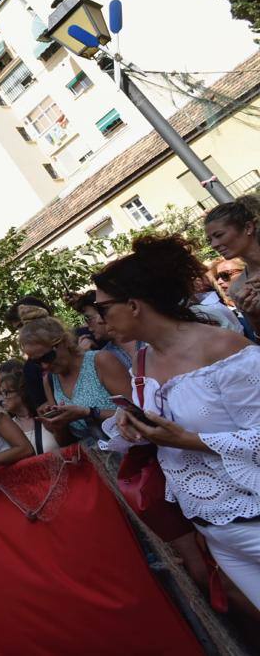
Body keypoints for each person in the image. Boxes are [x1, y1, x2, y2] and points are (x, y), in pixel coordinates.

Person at [95, 234, 260, 609]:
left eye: (103, 308)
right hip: (214, 529)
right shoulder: (141, 362)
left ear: (134, 305)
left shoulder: (222, 348)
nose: (99, 320)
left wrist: (188, 439)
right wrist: (132, 422)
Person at [18, 308, 130, 443]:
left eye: (48, 357)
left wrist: (89, 412)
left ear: (63, 342)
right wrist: (57, 426)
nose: (44, 366)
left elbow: (137, 414)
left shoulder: (100, 361)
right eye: (36, 362)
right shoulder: (50, 380)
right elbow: (65, 441)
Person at [206, 194, 260, 331]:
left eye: (218, 235)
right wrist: (254, 318)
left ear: (248, 227)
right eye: (210, 240)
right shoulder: (238, 289)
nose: (214, 244)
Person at [0, 367, 59, 455]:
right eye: (1, 393)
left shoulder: (46, 415)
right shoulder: (8, 427)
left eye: (5, 392)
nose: (1, 398)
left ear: (21, 392)